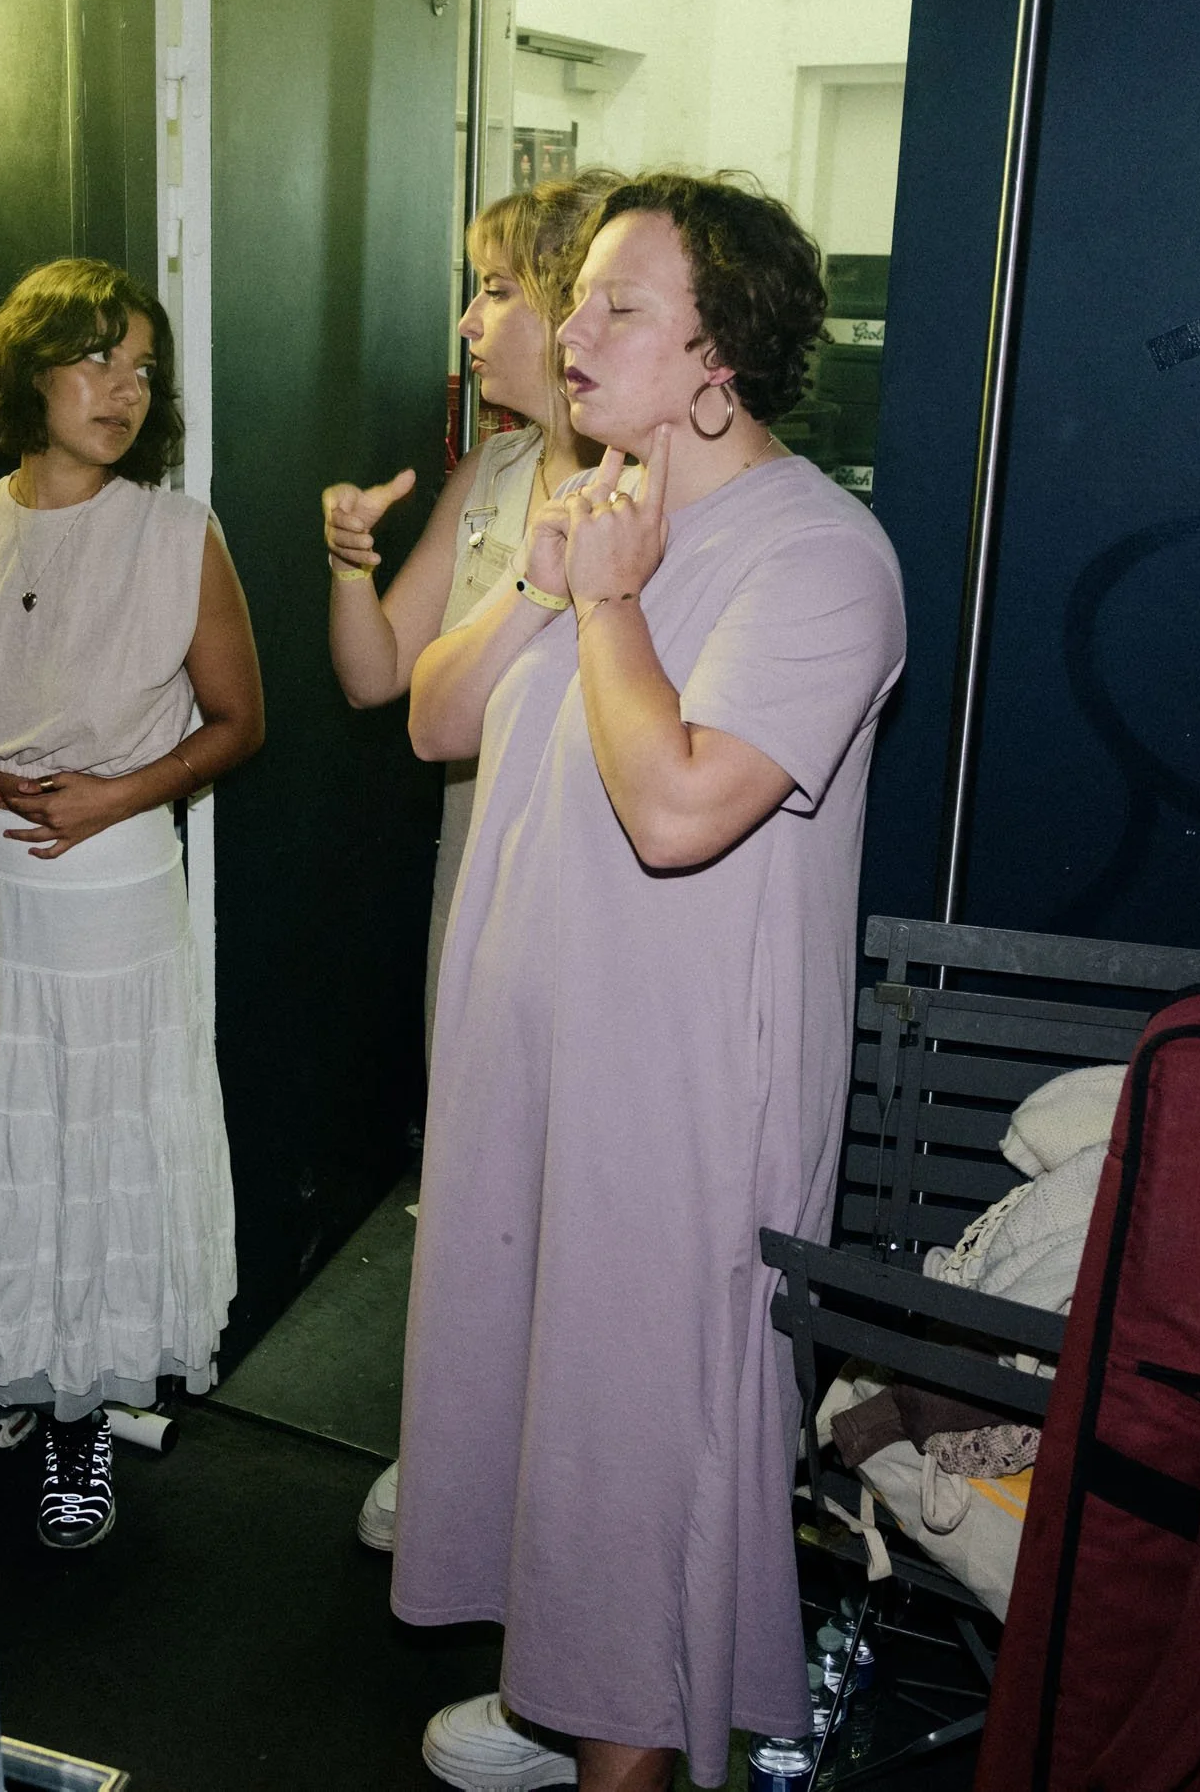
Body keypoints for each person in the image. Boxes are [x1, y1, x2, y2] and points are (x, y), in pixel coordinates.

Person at [395, 174, 907, 1791]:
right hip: (537, 1055)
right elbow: (430, 719)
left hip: (680, 1091)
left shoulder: (821, 558)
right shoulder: (598, 508)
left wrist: (607, 602)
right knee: (538, 1390)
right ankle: (566, 1687)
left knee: (645, 1437)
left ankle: (631, 1734)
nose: (574, 326)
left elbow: (680, 805)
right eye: (582, 295)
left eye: (621, 302)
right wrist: (556, 577)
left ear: (719, 361)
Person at [0, 257, 264, 1549]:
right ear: (29, 369)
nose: (124, 390)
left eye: (144, 368)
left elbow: (241, 721)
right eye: (99, 359)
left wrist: (119, 794)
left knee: (94, 1146)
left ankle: (82, 1417)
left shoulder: (177, 533)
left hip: (110, 893)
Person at [320, 170, 618, 1556]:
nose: (471, 318)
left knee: (586, 1194)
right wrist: (345, 557)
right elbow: (383, 675)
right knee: (477, 1168)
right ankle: (457, 1450)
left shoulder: (652, 482)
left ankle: (559, 1501)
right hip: (474, 851)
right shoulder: (493, 470)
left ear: (575, 302)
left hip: (607, 869)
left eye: (498, 286)